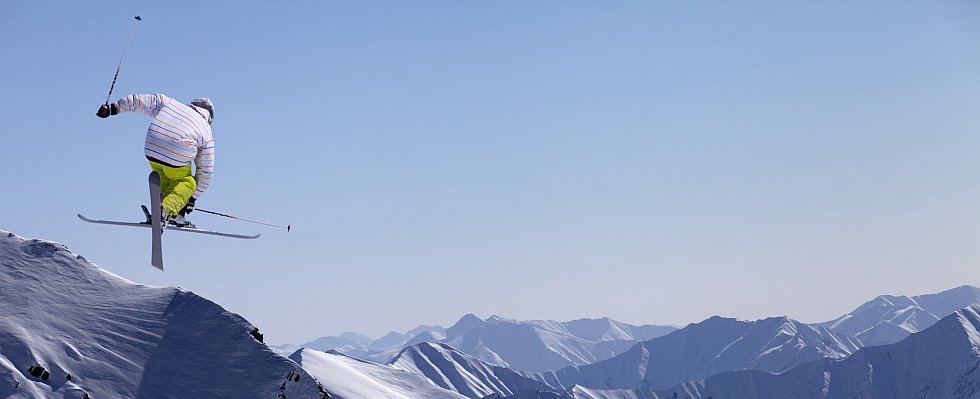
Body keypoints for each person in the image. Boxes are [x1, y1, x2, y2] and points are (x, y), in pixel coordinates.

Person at [97, 94, 214, 228]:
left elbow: (140, 101)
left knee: (165, 178)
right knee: (187, 182)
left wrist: (114, 108)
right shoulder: (206, 130)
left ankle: (168, 212)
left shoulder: (172, 104)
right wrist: (191, 198)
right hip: (176, 152)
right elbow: (206, 172)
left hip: (152, 147)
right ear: (209, 118)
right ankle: (165, 211)